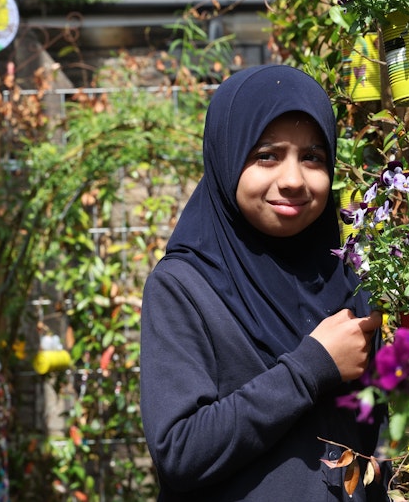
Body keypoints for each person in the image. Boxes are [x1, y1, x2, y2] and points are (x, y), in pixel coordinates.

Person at [139, 64, 386, 501]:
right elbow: (178, 452)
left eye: (312, 157)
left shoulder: (345, 278)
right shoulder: (185, 287)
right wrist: (311, 368)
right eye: (267, 155)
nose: (292, 180)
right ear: (228, 159)